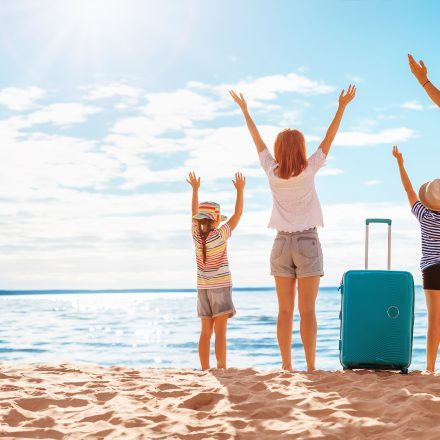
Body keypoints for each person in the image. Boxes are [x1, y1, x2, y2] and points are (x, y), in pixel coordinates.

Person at [230, 85, 356, 371]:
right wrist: (341, 107)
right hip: (307, 242)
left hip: (280, 245)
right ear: (300, 149)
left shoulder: (271, 171)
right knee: (307, 310)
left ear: (278, 150)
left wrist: (245, 110)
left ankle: (287, 366)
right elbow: (329, 138)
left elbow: (256, 138)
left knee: (284, 311)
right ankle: (310, 367)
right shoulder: (310, 168)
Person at [186, 171, 245, 370]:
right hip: (221, 288)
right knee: (221, 332)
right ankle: (221, 367)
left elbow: (193, 211)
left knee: (205, 332)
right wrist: (240, 191)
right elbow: (238, 215)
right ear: (216, 220)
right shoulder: (220, 235)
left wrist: (195, 190)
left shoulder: (195, 235)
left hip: (203, 289)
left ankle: (204, 369)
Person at [392, 146, 440, 372]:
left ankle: (430, 368)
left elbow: (408, 189)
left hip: (431, 270)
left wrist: (400, 164)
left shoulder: (424, 215)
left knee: (434, 321)